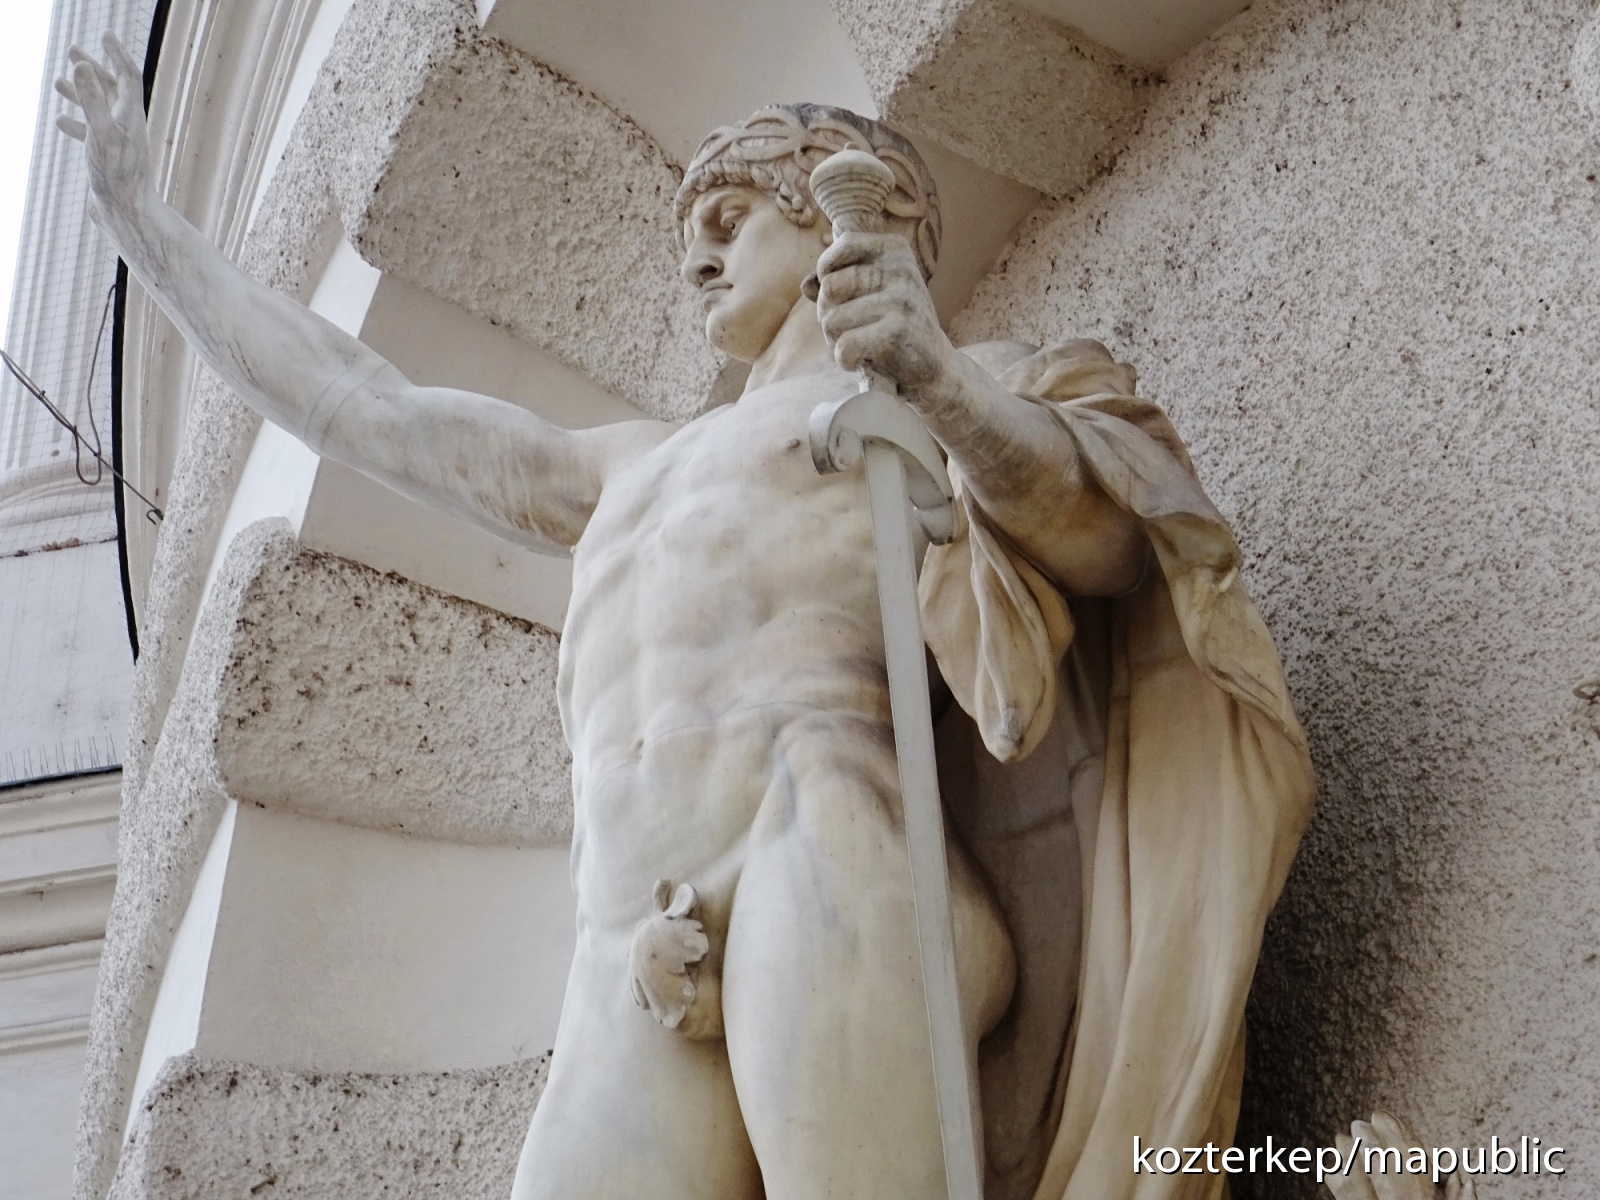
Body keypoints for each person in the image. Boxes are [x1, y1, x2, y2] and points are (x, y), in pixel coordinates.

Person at [60, 37, 1314, 1200]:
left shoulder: (939, 396)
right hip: (632, 932)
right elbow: (361, 405)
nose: (698, 261)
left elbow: (1114, 538)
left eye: (730, 220)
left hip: (820, 853)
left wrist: (934, 377)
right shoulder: (621, 465)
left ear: (838, 212)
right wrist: (147, 229)